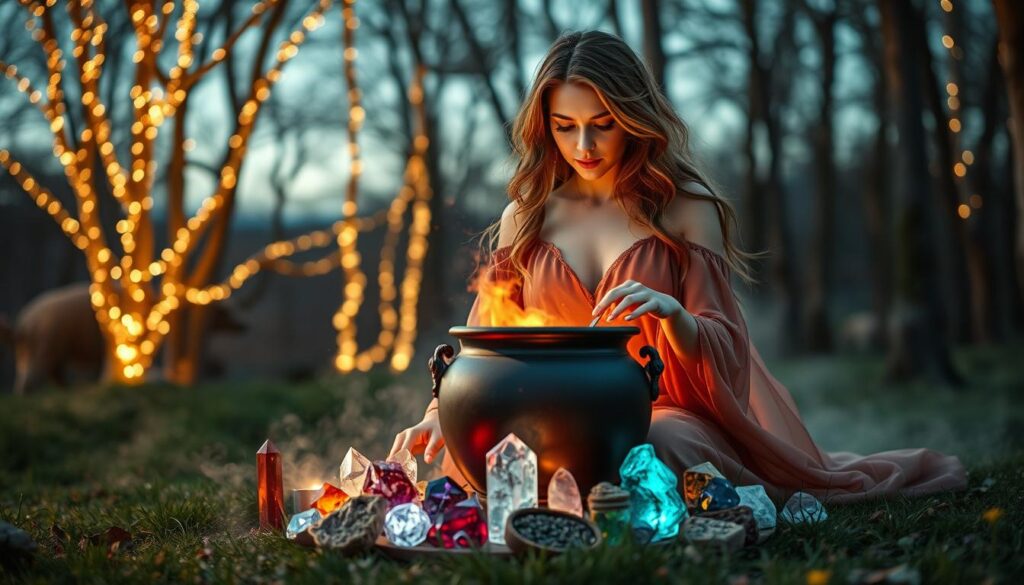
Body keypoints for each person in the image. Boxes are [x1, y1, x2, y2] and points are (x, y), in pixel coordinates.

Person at [390, 30, 965, 504]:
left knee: (649, 448)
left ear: (634, 117)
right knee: (493, 457)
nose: (584, 144)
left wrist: (673, 317)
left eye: (603, 122)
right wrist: (444, 411)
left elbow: (729, 352)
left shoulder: (686, 207)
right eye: (565, 127)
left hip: (658, 414)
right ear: (545, 126)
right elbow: (484, 343)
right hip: (548, 419)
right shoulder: (528, 214)